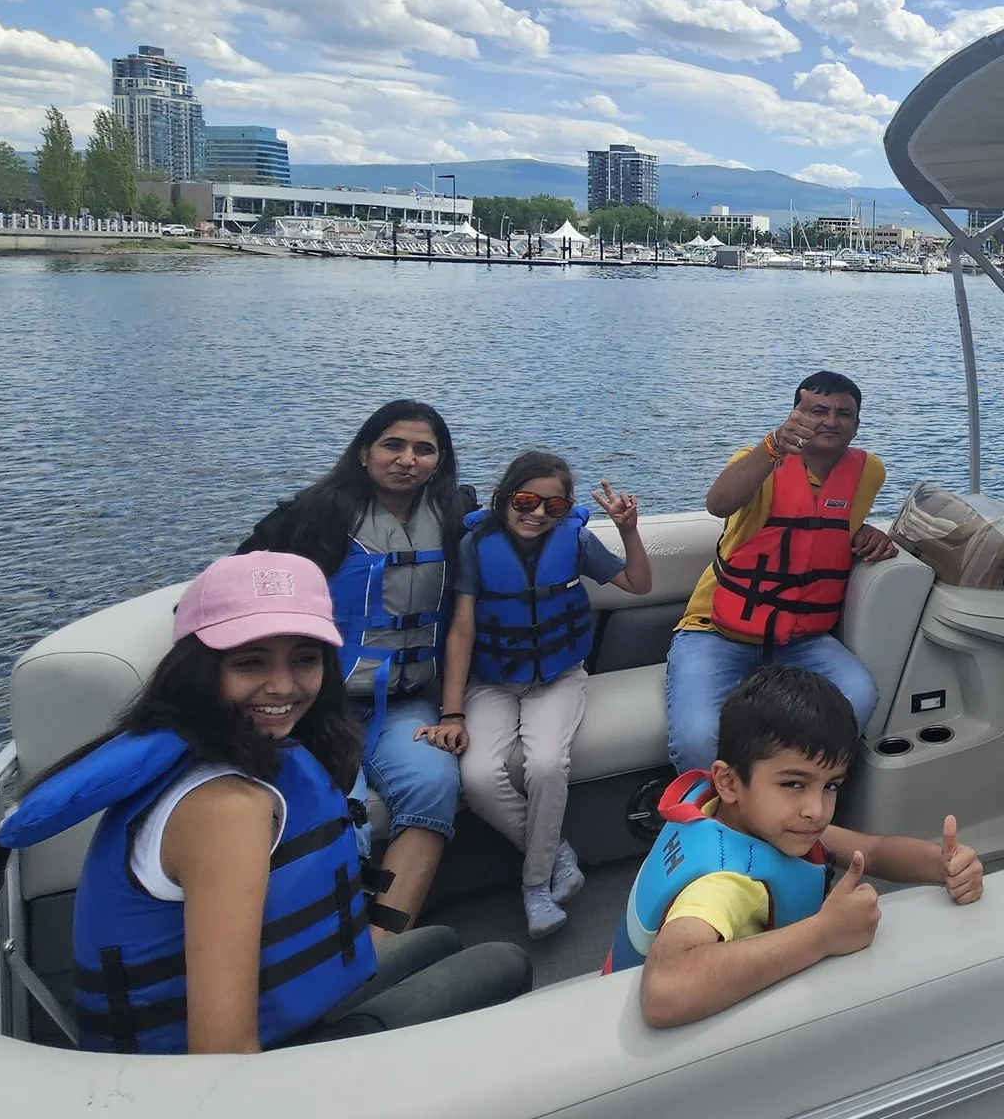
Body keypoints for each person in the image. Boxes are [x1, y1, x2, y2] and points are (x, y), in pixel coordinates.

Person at [0, 553, 531, 1053]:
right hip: (219, 1086)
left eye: (304, 659)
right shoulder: (228, 808)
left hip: (285, 1014)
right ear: (200, 669)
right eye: (251, 663)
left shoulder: (226, 748)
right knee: (502, 963)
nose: (283, 686)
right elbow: (221, 1055)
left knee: (439, 940)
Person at [613, 667, 984, 1026]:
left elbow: (871, 850)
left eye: (831, 786)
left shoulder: (740, 816)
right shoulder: (725, 884)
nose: (816, 810)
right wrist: (823, 935)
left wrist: (942, 865)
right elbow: (664, 991)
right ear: (728, 782)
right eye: (794, 784)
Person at [239, 399, 474, 929]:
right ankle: (326, 940)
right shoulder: (317, 514)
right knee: (337, 805)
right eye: (393, 445)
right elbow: (241, 576)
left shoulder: (456, 516)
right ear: (365, 452)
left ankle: (385, 938)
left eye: (423, 449)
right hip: (319, 705)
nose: (407, 459)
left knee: (435, 781)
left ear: (440, 460)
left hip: (407, 702)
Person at [426, 451, 651, 940]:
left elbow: (638, 584)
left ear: (566, 509)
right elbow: (462, 631)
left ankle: (535, 887)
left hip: (558, 677)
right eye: (526, 500)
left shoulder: (577, 540)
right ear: (505, 498)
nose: (537, 513)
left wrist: (629, 530)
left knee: (547, 764)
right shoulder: (475, 545)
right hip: (491, 681)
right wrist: (453, 711)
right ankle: (558, 853)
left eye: (553, 506)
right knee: (479, 775)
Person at [662, 372, 896, 775]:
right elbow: (718, 503)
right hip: (717, 631)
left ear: (857, 425)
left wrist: (870, 534)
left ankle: (786, 795)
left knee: (858, 694)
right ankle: (718, 826)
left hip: (802, 640)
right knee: (698, 739)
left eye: (845, 413)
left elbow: (830, 523)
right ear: (795, 414)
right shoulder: (759, 461)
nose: (831, 420)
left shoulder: (869, 472)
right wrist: (772, 445)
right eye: (818, 410)